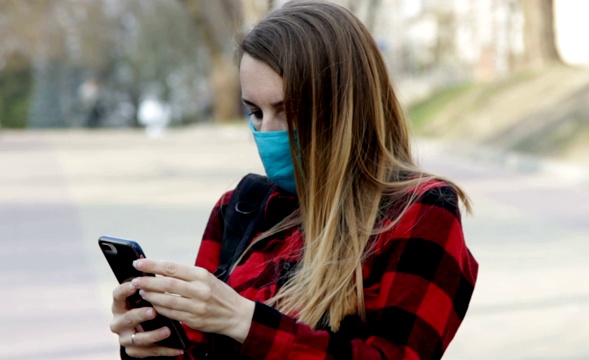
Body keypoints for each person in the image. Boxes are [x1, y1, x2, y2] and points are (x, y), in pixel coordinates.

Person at [109, 1, 479, 359]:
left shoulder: (421, 212)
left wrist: (245, 321)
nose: (266, 131)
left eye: (287, 111)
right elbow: (200, 349)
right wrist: (149, 344)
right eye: (255, 112)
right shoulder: (239, 206)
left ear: (344, 106)